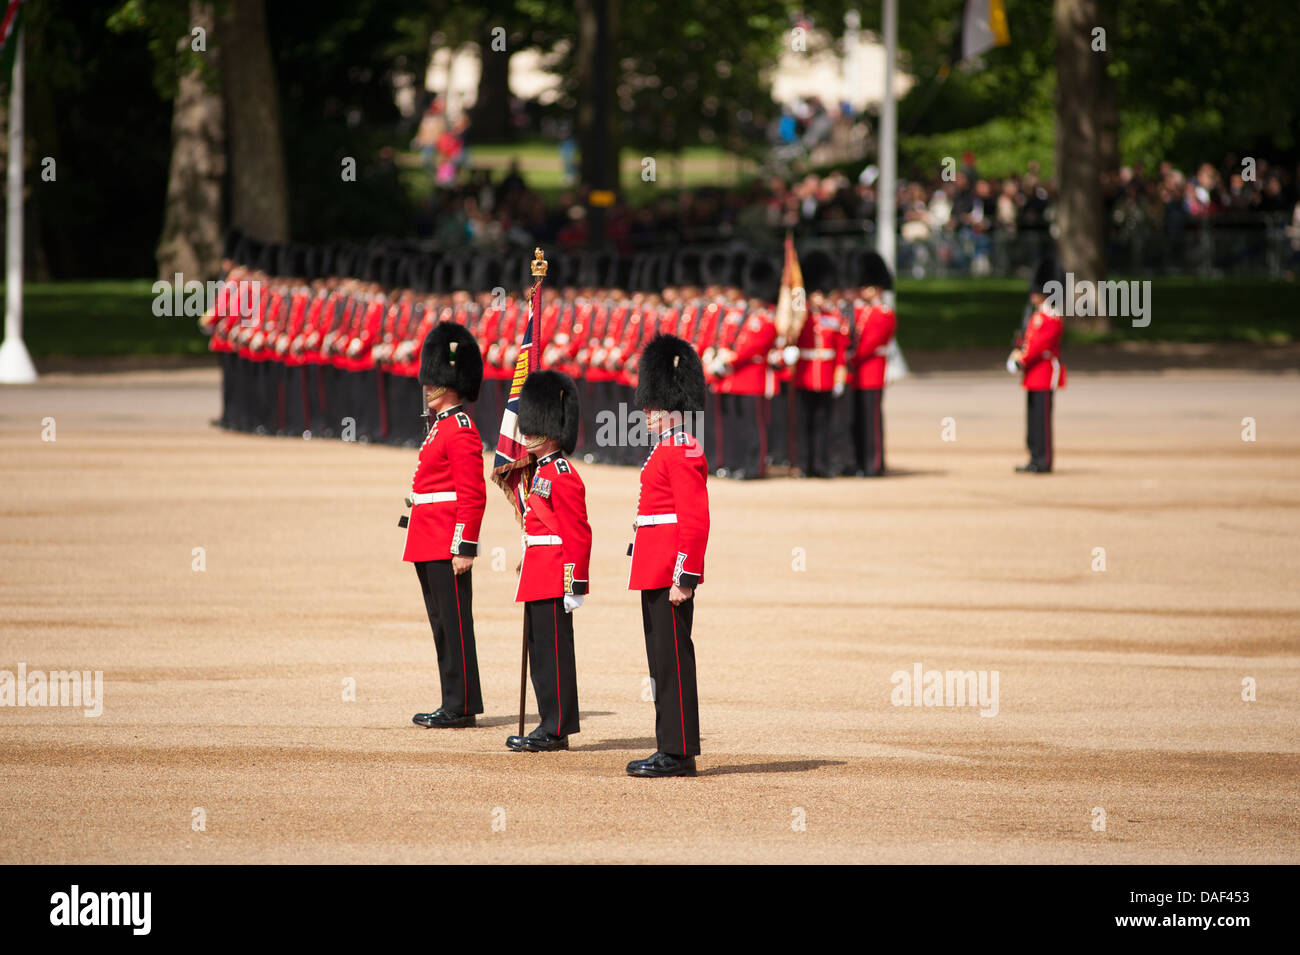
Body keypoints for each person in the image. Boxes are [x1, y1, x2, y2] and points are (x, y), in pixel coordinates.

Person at [626, 335, 710, 778]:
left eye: (653, 406)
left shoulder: (682, 448)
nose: (646, 413)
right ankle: (670, 746)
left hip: (670, 572)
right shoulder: (667, 446)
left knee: (672, 659)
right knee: (661, 660)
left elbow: (695, 520)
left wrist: (686, 576)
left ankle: (677, 752)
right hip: (655, 565)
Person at [402, 322, 488, 728]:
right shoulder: (441, 426)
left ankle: (460, 704)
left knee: (454, 626)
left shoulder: (460, 429)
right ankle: (454, 700)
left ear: (445, 385)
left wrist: (465, 545)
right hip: (428, 536)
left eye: (432, 381)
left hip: (445, 541)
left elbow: (472, 494)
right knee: (442, 624)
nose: (426, 387)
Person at [508, 370, 592, 753]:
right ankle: (547, 722)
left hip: (556, 574)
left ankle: (555, 727)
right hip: (538, 572)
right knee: (539, 654)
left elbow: (577, 533)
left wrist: (575, 585)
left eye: (535, 426)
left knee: (554, 655)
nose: (526, 435)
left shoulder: (562, 474)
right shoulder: (540, 471)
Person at [1009, 258, 1067, 473]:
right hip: (1032, 375)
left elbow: (1039, 346)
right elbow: (1028, 342)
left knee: (1042, 421)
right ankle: (1035, 456)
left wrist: (1020, 359)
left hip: (1044, 373)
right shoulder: (1036, 316)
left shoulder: (1051, 316)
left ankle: (1044, 460)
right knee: (1033, 420)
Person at [846, 253, 897, 477]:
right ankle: (858, 461)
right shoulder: (856, 310)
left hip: (871, 373)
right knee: (856, 421)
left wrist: (846, 358)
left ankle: (874, 463)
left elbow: (867, 346)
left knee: (871, 421)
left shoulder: (883, 313)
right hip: (855, 373)